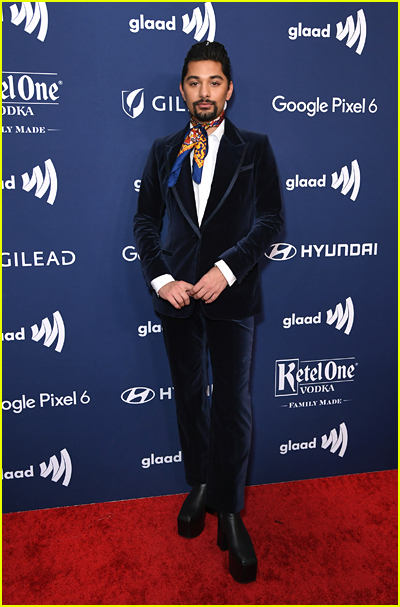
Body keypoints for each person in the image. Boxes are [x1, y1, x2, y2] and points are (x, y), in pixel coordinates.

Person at [133, 41, 283, 583]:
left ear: (229, 88)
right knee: (190, 398)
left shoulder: (256, 149)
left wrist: (227, 269)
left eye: (214, 82)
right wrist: (161, 278)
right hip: (177, 300)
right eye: (194, 82)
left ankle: (232, 510)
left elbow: (269, 223)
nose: (204, 92)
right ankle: (199, 483)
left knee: (233, 407)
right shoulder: (162, 149)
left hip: (232, 296)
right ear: (182, 89)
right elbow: (146, 221)